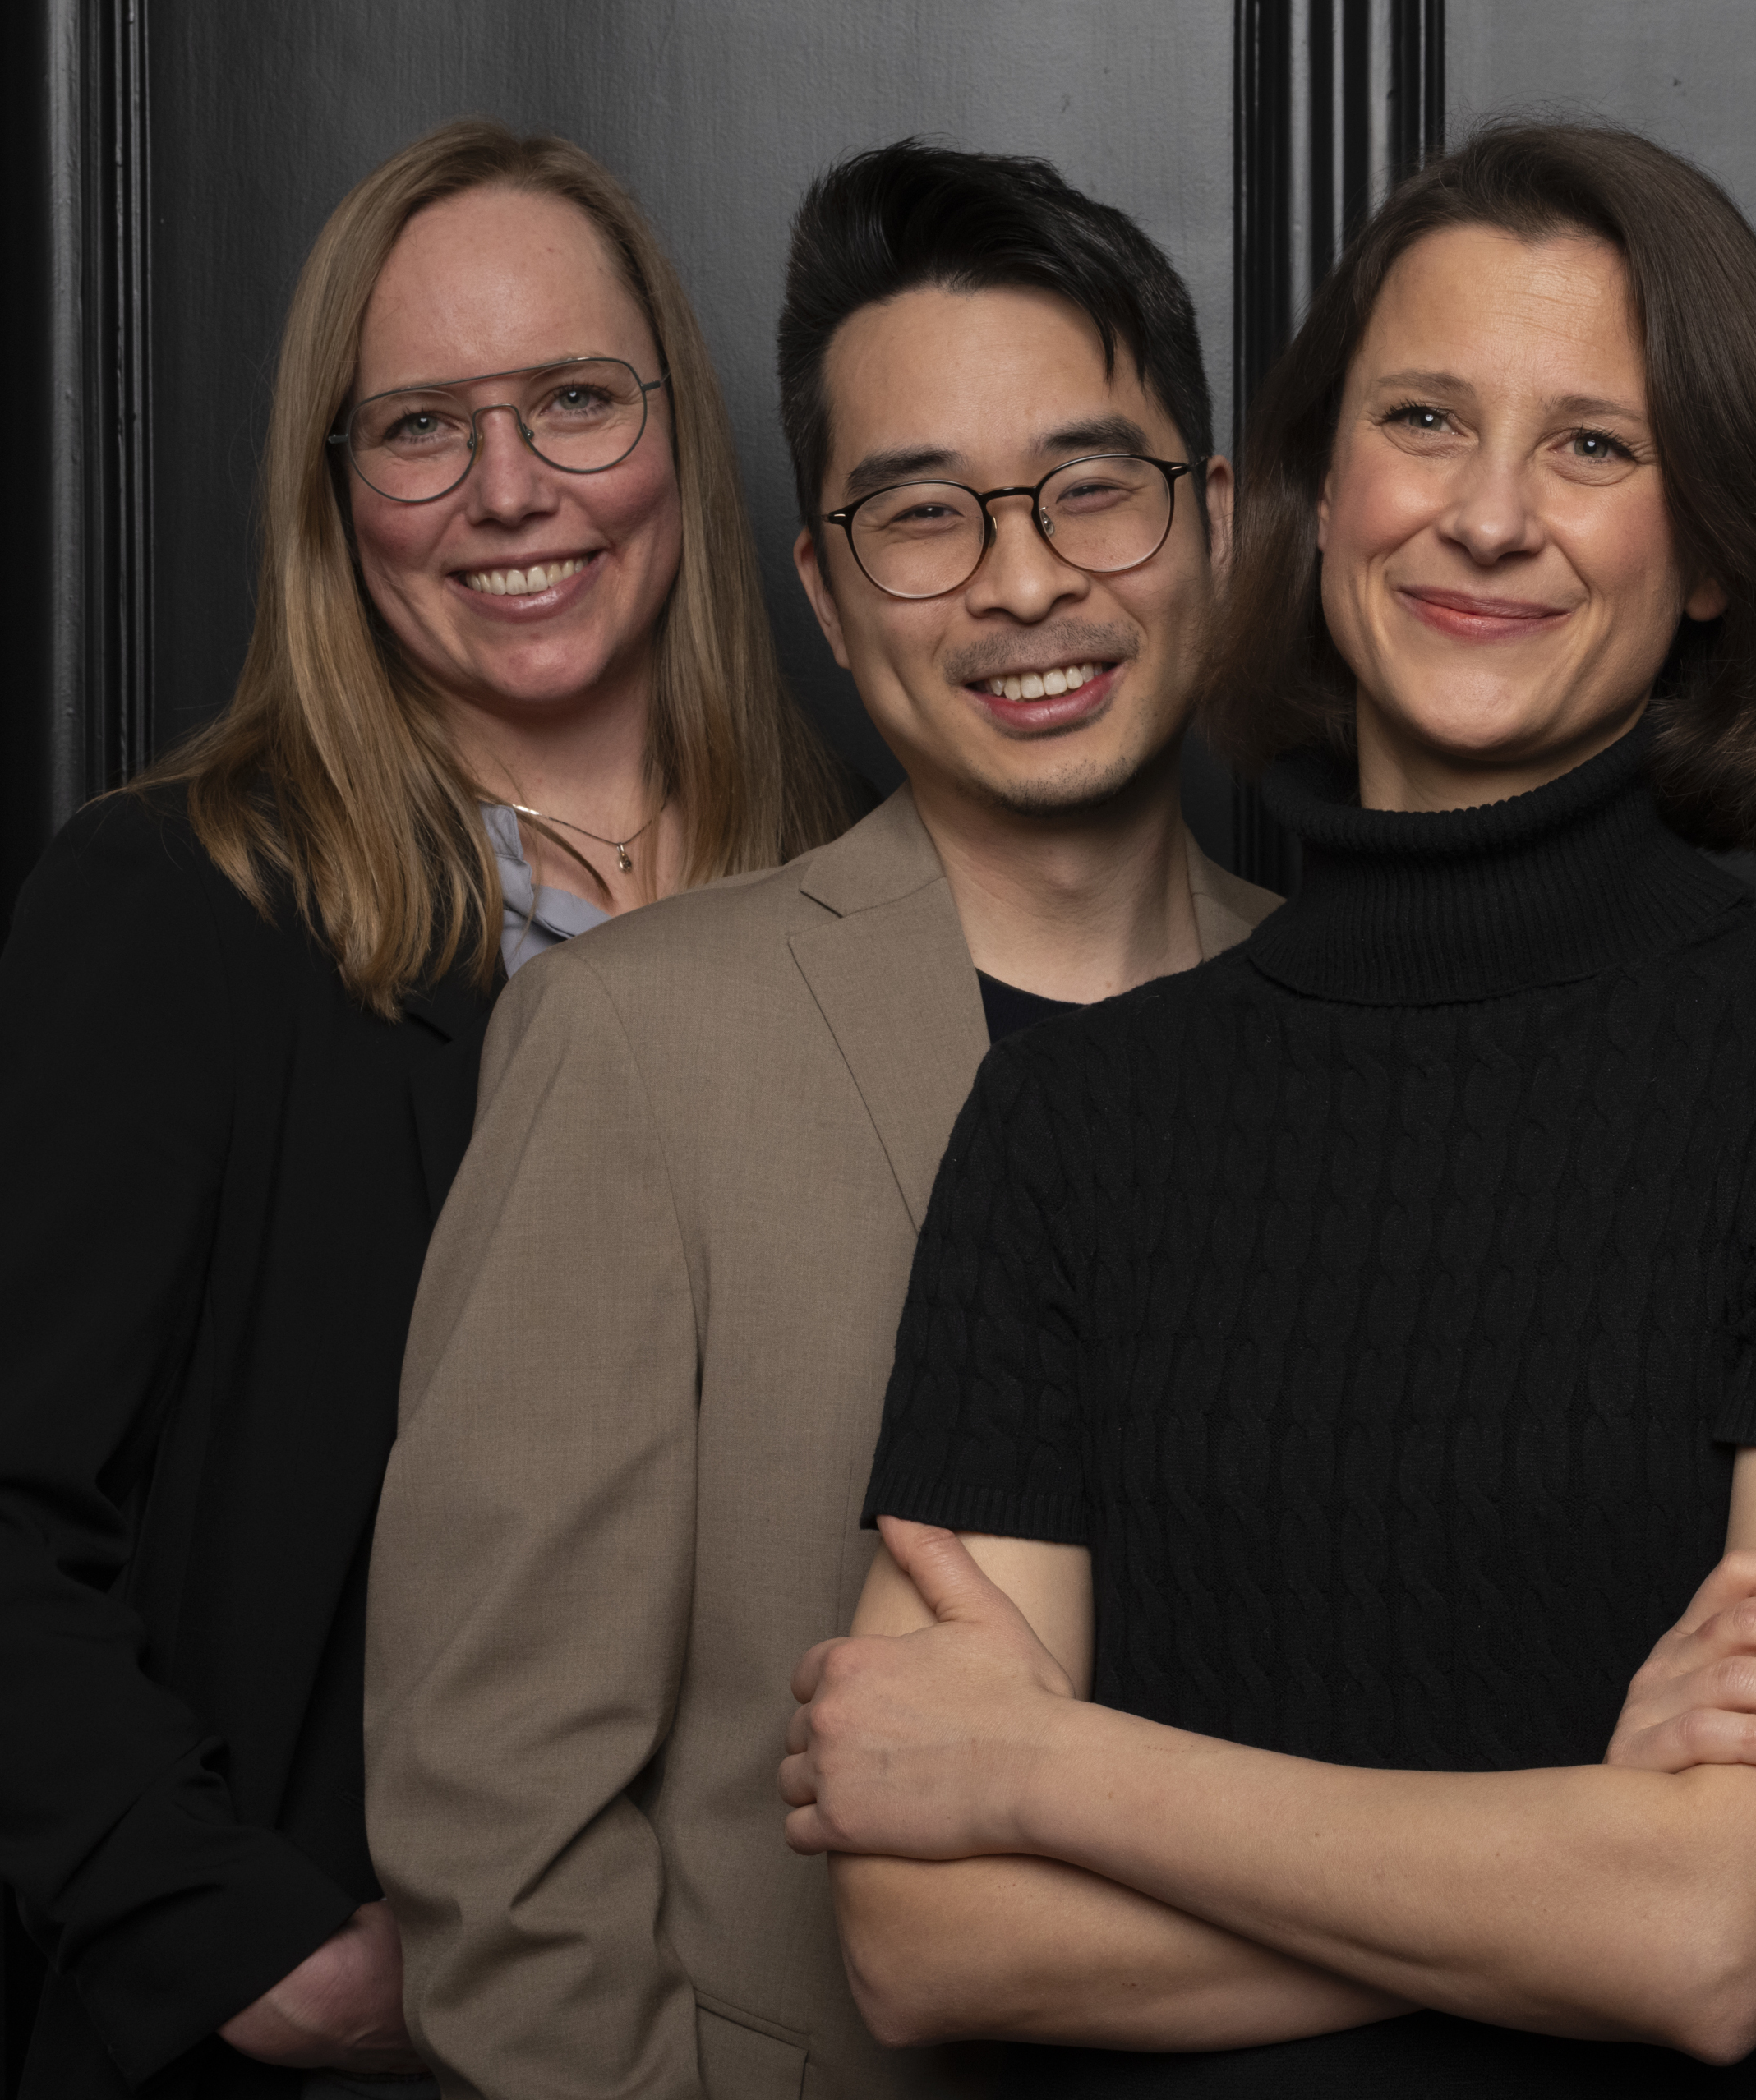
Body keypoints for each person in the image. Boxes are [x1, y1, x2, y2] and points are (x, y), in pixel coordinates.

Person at [777, 122, 1756, 2096]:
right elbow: (924, 1933)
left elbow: (1711, 1935)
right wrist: (1574, 1848)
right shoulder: (1076, 1126)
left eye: (1594, 444)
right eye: (1424, 420)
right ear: (1315, 502)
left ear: (1719, 546)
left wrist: (1050, 1768)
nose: (1489, 518)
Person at [0, 117, 843, 2100]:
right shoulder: (173, 915)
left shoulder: (851, 911)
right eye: (420, 428)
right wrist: (251, 1946)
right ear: (337, 493)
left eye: (574, 400)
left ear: (677, 429)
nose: (509, 491)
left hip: (798, 2028)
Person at [361, 144, 1284, 2100]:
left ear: (1213, 524)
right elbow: (492, 1813)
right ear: (830, 596)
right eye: (923, 515)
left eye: (1092, 488)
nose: (1026, 580)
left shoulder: (1371, 1026)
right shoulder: (635, 1047)